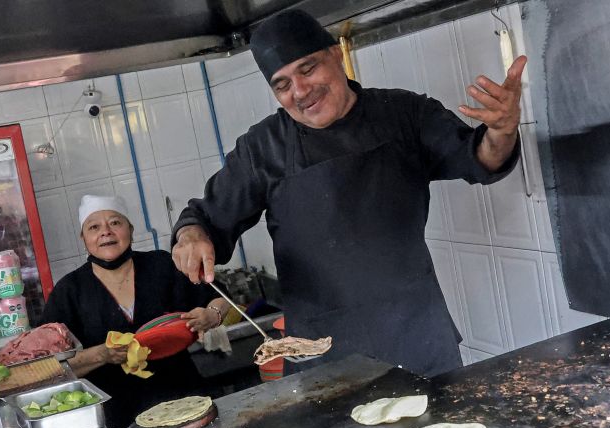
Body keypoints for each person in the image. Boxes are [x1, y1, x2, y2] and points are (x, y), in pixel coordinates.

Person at [171, 10, 526, 377]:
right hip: (320, 354)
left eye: (308, 69)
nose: (300, 91)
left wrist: (502, 130)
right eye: (282, 85)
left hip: (417, 336)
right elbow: (204, 218)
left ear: (336, 55)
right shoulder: (262, 148)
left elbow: (479, 158)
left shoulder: (404, 113)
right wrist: (191, 235)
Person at [42, 195, 230, 428]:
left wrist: (213, 314)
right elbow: (50, 366)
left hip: (185, 399)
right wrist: (102, 354)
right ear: (84, 238)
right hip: (119, 419)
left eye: (115, 223)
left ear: (130, 229)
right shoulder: (69, 290)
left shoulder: (161, 265)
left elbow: (220, 297)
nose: (106, 232)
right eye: (94, 227)